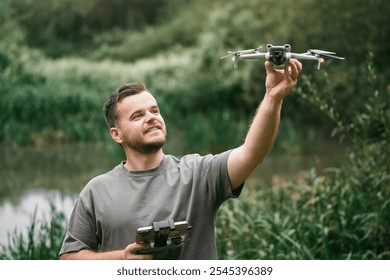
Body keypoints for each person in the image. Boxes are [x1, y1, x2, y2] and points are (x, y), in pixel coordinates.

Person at [59, 59, 302, 260]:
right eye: (137, 115)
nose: (151, 117)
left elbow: (252, 152)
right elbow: (69, 259)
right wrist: (122, 259)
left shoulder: (199, 173)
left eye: (154, 110)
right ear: (116, 134)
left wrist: (273, 97)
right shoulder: (97, 190)